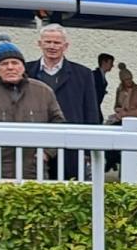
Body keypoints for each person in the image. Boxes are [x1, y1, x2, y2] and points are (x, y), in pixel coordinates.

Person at [0, 34, 64, 180]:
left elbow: (58, 124)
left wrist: (46, 153)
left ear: (23, 66)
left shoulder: (43, 91)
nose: (10, 67)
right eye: (4, 64)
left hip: (34, 170)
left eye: (15, 63)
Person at [26, 24, 99, 179]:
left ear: (65, 46)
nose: (52, 46)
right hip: (34, 144)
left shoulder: (83, 74)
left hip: (71, 146)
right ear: (39, 44)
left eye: (57, 43)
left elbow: (91, 112)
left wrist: (88, 149)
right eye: (48, 42)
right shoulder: (25, 72)